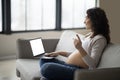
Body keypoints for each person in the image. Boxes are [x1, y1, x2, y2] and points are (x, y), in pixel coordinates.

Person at [39, 7, 110, 80]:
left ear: (95, 20)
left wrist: (80, 48)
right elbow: (78, 55)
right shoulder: (89, 35)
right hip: (68, 66)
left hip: (78, 71)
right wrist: (59, 53)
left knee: (46, 68)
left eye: (87, 18)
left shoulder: (100, 39)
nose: (84, 21)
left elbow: (93, 64)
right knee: (44, 59)